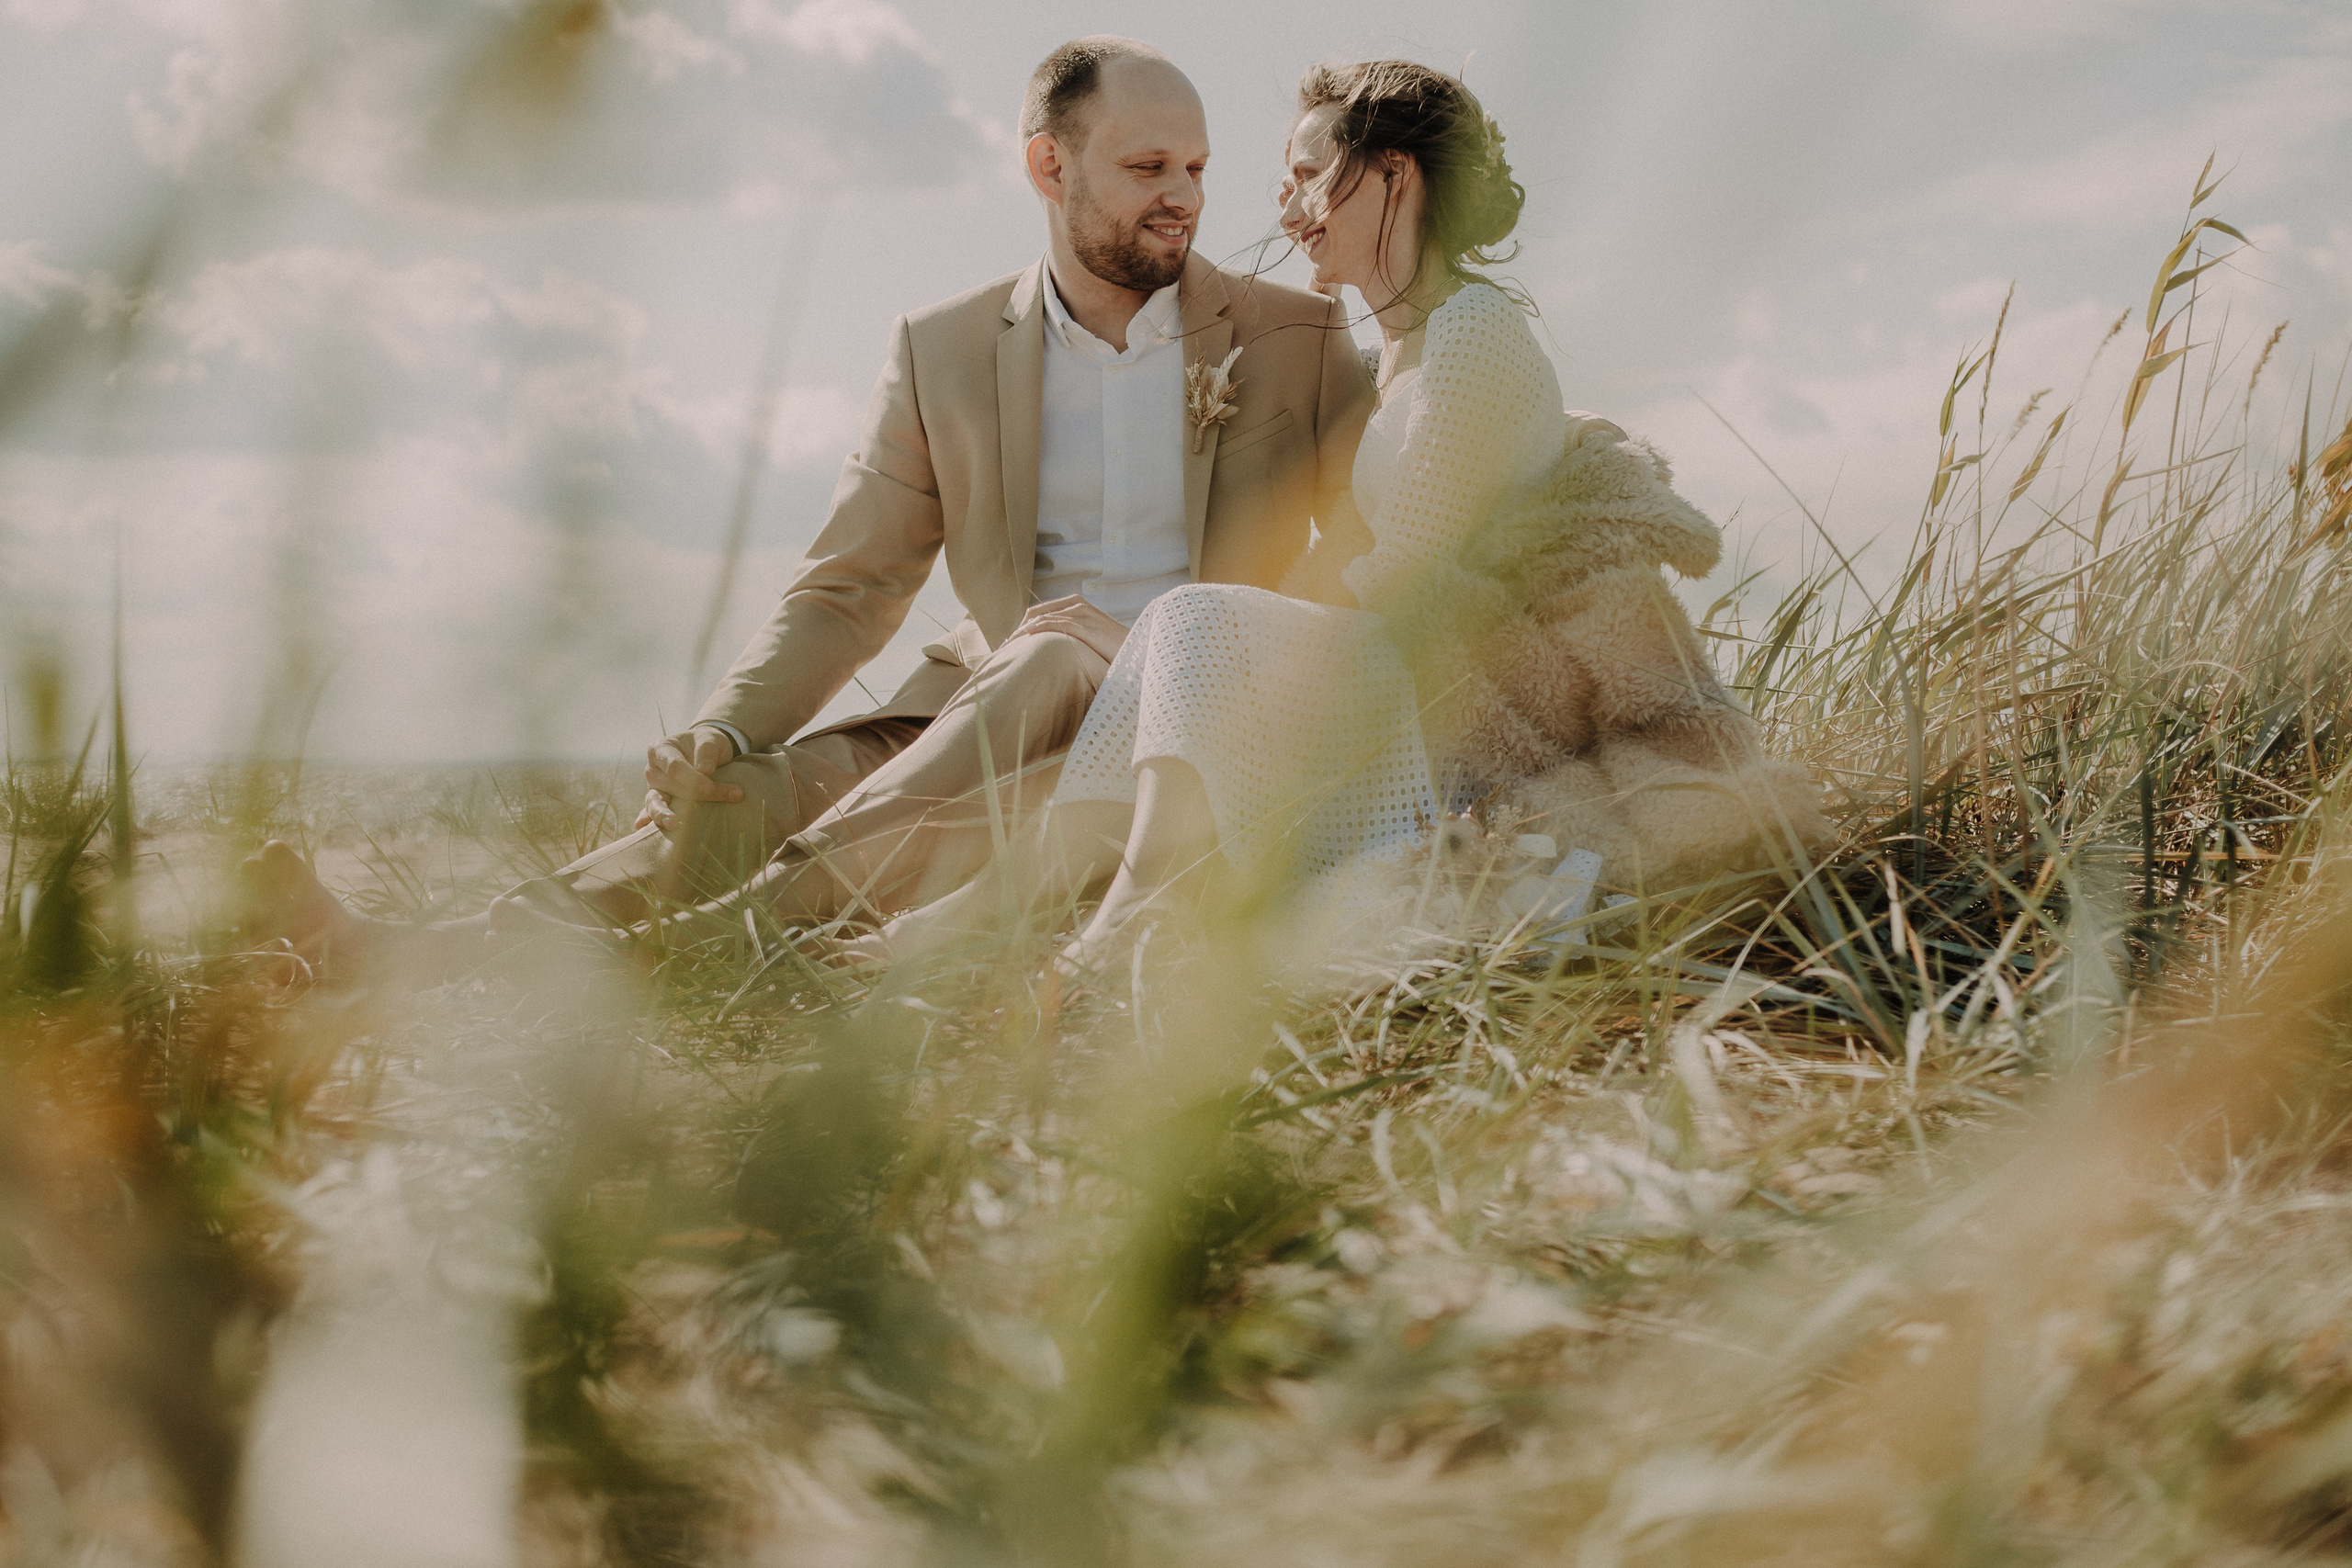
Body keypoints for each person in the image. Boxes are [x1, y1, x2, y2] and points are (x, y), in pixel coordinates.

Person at [243, 36, 1374, 974]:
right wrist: (724, 728)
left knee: (927, 833)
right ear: (1048, 166)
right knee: (735, 795)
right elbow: (850, 582)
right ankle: (423, 956)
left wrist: (1208, 665)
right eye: (1146, 169)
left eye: (1196, 167)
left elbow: (1381, 548)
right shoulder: (942, 350)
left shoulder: (1296, 337)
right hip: (979, 700)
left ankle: (684, 958)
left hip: (1169, 727)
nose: (1183, 198)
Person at [847, 60, 1826, 976]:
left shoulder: (1477, 332)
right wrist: (1155, 642)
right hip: (1399, 698)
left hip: (1461, 728)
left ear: (1390, 176)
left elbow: (1409, 580)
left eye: (1309, 175)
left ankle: (1120, 920)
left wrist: (1168, 633)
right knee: (1170, 642)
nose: (1287, 208)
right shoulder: (1398, 354)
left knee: (1184, 625)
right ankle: (979, 915)